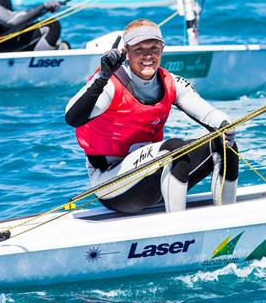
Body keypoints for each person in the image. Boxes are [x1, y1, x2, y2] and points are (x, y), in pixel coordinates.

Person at [65, 19, 238, 214]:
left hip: (152, 178)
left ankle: (228, 220)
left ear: (162, 50)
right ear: (126, 52)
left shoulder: (172, 82)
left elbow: (210, 115)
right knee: (174, 149)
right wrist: (103, 77)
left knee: (224, 143)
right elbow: (73, 118)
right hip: (111, 185)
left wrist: (226, 125)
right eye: (139, 49)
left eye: (154, 48)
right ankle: (179, 233)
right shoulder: (110, 84)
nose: (148, 55)